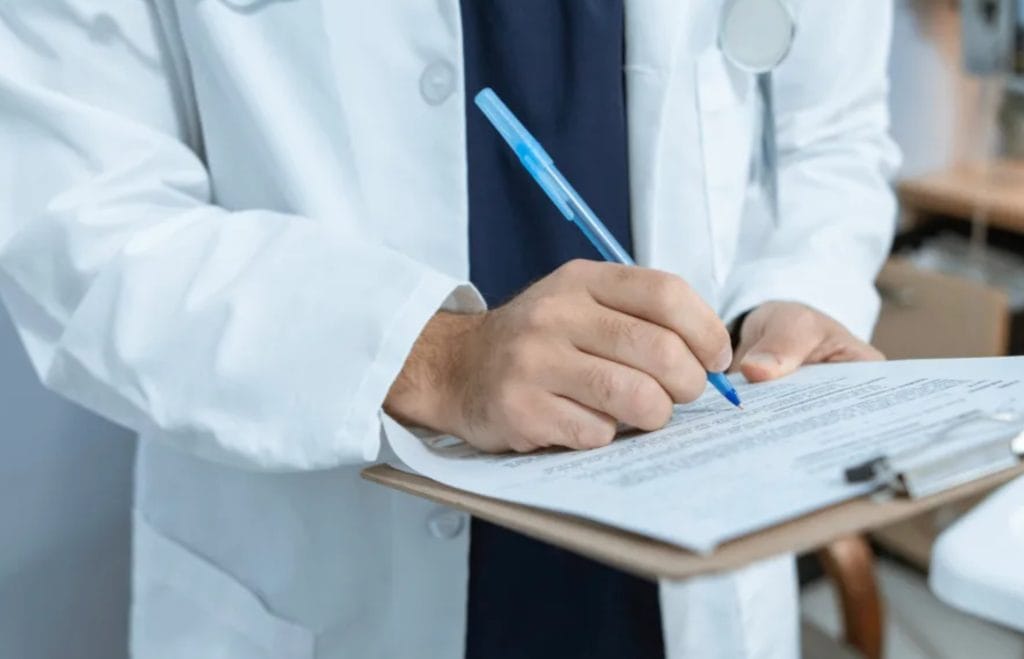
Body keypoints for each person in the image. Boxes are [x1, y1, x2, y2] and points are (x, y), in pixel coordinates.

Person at [0, 1, 897, 657]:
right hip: (333, 574)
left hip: (679, 578)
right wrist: (433, 356)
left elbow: (833, 134)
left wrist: (796, 290)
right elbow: (76, 221)